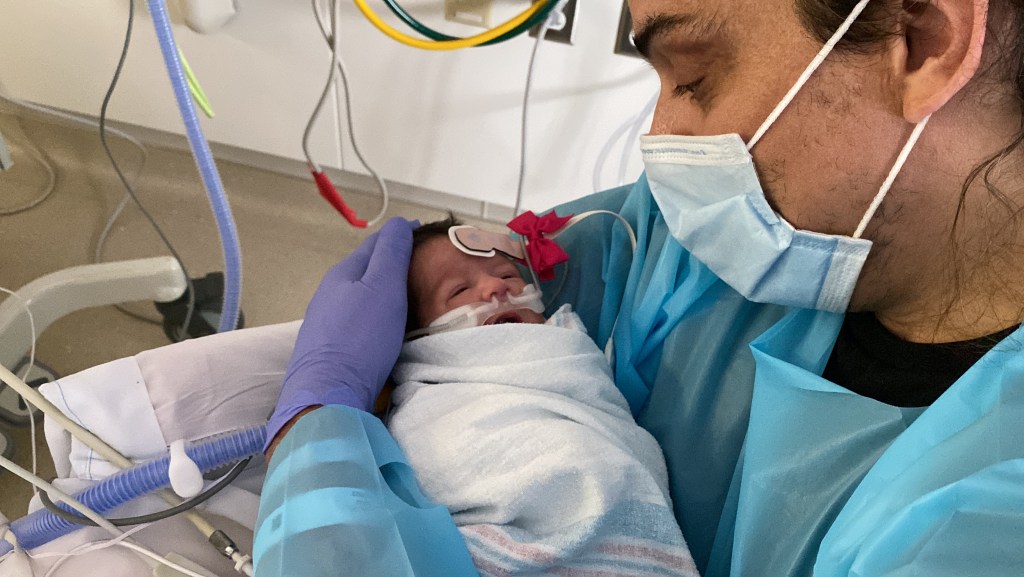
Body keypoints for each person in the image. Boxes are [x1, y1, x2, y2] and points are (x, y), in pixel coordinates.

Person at [261, 1, 1024, 576]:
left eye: (693, 77)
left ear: (922, 37)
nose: (660, 136)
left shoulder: (982, 521)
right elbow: (595, 245)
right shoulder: (736, 240)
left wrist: (317, 429)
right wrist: (474, 264)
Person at [388, 217, 698, 575]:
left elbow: (600, 408)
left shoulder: (566, 345)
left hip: (606, 481)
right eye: (459, 290)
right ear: (420, 335)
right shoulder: (432, 390)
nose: (496, 287)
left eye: (507, 274)